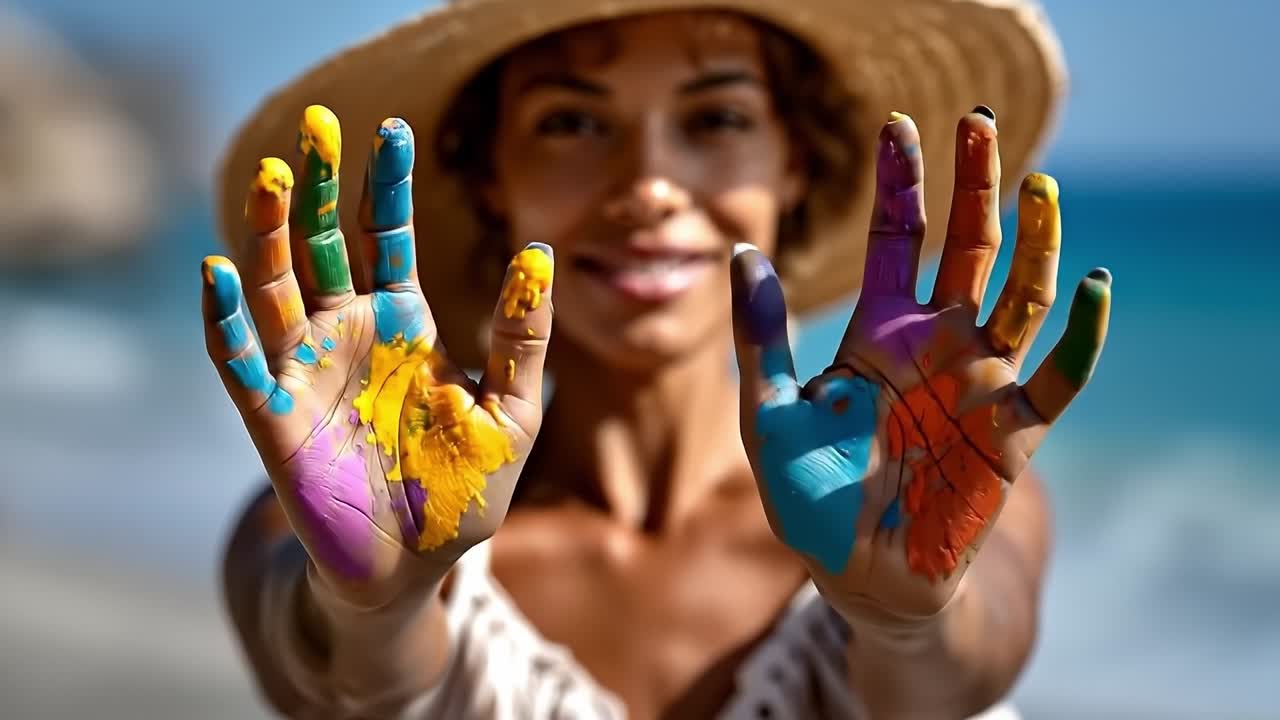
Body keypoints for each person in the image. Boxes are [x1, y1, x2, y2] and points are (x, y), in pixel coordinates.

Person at [207, 1, 1112, 717]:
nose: (647, 184)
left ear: (794, 162)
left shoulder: (921, 500)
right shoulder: (354, 513)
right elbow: (327, 672)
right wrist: (373, 613)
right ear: (490, 175)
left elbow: (961, 669)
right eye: (571, 123)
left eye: (716, 116)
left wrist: (905, 626)